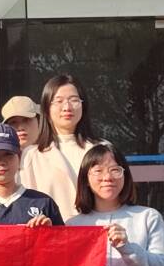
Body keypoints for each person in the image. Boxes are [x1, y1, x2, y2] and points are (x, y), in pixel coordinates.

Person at [20, 74, 102, 222]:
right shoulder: (32, 155)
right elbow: (27, 205)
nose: (67, 107)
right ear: (46, 108)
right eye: (58, 101)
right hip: (52, 231)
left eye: (74, 100)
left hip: (94, 231)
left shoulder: (103, 149)